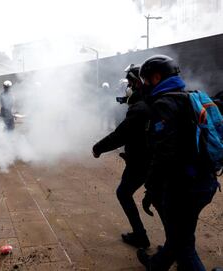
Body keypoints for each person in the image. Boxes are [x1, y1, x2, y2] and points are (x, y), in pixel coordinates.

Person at [136, 55, 219, 271]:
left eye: (145, 80)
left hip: (184, 186)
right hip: (205, 181)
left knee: (183, 245)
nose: (143, 85)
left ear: (156, 77)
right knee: (181, 237)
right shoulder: (191, 97)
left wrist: (151, 189)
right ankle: (157, 264)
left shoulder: (164, 104)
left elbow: (164, 153)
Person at [92, 64, 151, 249]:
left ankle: (142, 236)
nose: (129, 87)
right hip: (154, 160)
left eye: (132, 83)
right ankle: (176, 245)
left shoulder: (141, 107)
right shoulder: (152, 100)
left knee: (124, 193)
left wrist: (99, 147)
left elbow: (122, 134)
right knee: (160, 201)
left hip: (144, 161)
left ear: (140, 82)